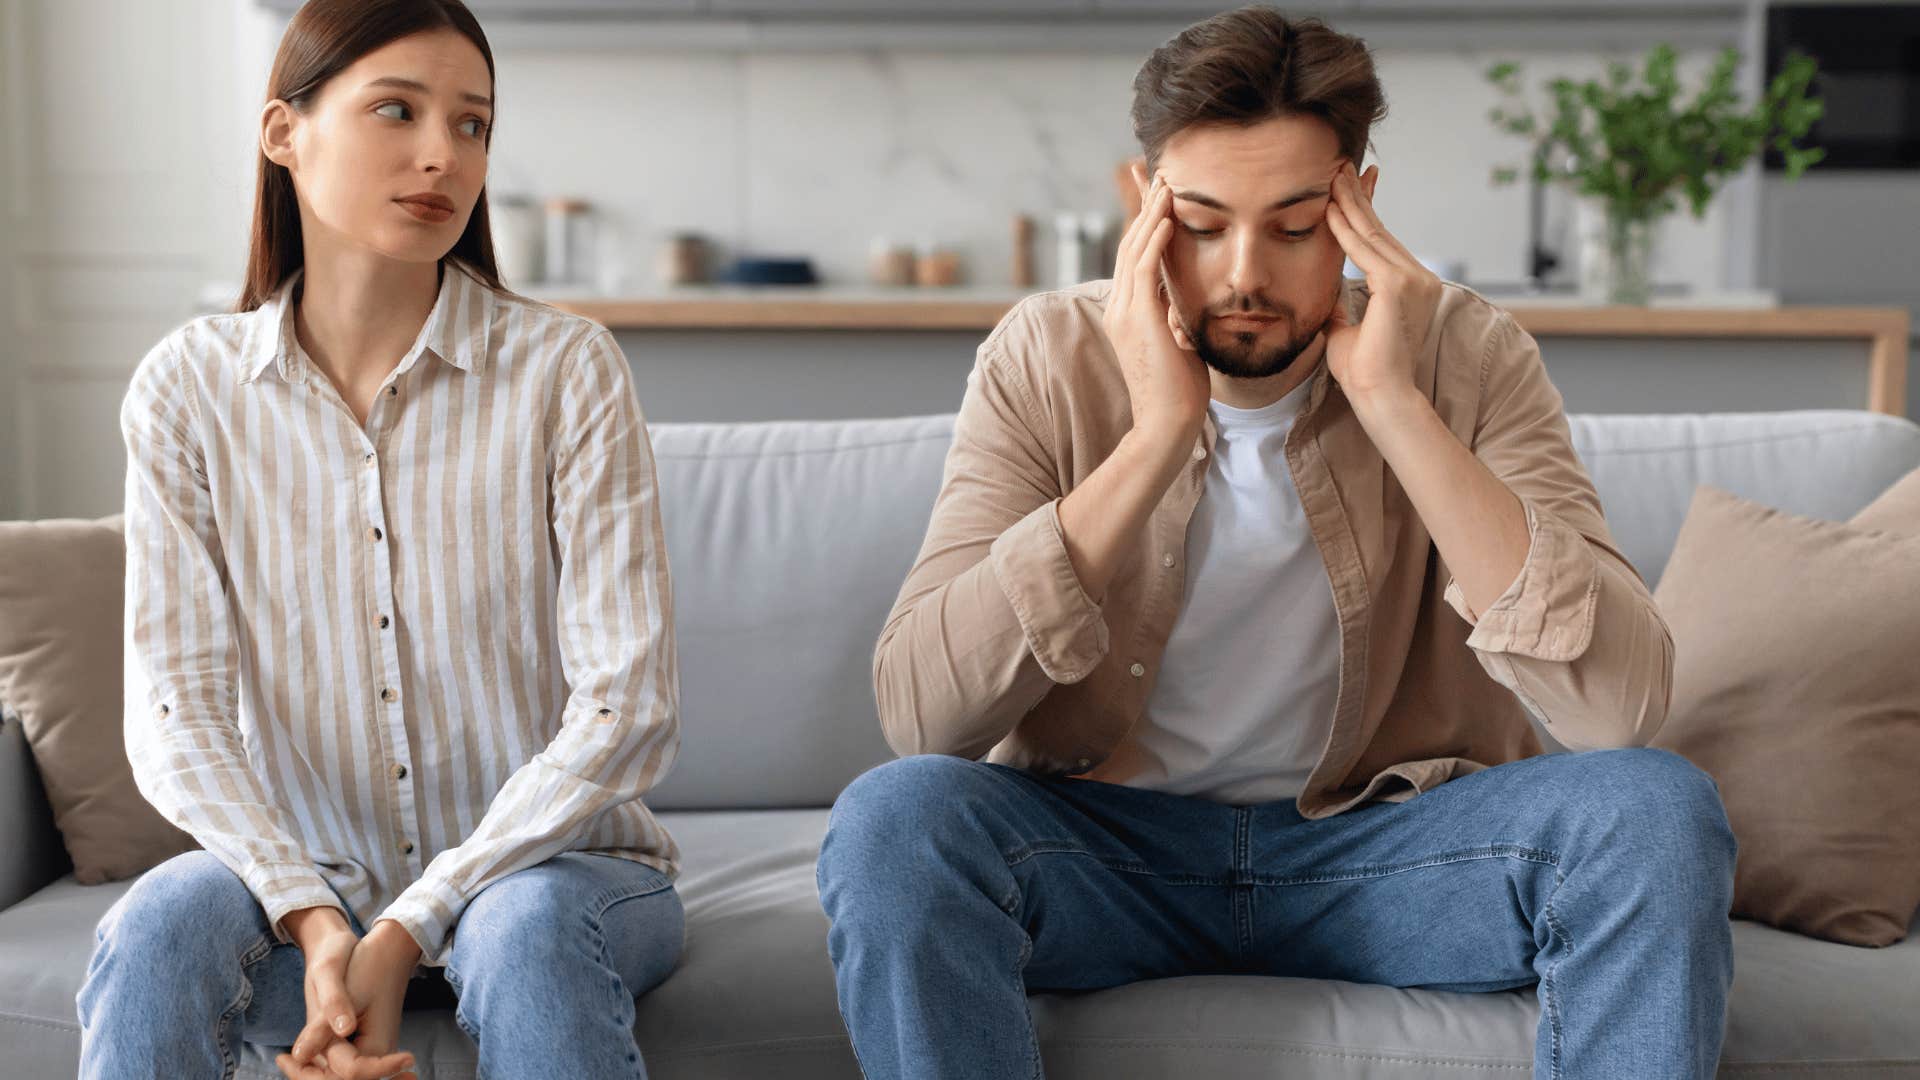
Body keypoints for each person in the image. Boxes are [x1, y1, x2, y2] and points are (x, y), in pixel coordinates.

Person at [817, 7, 1736, 1078]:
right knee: (895, 823)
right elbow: (922, 713)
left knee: (1658, 814)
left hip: (1396, 855)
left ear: (1359, 208)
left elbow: (1619, 707)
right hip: (1104, 854)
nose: (1243, 273)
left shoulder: (1468, 354)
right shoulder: (1048, 353)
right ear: (1141, 202)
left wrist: (1393, 403)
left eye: (1296, 227)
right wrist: (1156, 435)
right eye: (1201, 225)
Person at [76, 2, 684, 1077]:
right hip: (301, 887)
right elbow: (177, 713)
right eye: (397, 110)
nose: (440, 155)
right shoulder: (187, 389)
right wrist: (314, 918)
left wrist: (406, 930)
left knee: (524, 934)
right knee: (160, 928)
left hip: (553, 878)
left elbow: (626, 707)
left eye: (473, 125)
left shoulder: (567, 370)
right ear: (284, 133)